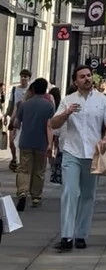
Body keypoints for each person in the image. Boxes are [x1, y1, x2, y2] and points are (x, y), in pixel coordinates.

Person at [50, 64, 106, 251]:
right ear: (75, 81)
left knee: (88, 195)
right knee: (70, 192)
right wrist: (67, 112)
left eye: (89, 75)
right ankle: (66, 236)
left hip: (93, 153)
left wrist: (105, 138)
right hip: (72, 151)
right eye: (82, 76)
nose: (87, 79)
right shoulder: (68, 100)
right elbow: (53, 123)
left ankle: (81, 234)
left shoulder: (102, 100)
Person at [13, 77, 54, 210]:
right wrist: (50, 144)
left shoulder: (25, 104)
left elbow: (16, 123)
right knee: (39, 170)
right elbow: (50, 126)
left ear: (33, 89)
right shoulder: (49, 106)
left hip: (25, 141)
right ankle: (36, 196)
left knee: (24, 169)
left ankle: (22, 192)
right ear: (45, 90)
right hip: (41, 142)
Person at [5, 69, 32, 171]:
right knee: (11, 139)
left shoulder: (30, 90)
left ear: (29, 78)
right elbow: (11, 103)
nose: (23, 78)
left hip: (26, 117)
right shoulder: (14, 89)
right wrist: (6, 115)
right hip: (15, 115)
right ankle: (14, 158)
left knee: (21, 139)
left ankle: (20, 159)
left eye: (26, 76)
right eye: (22, 76)